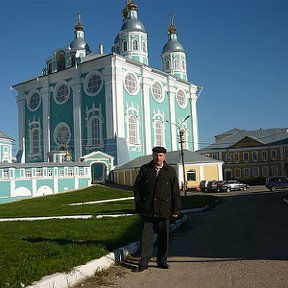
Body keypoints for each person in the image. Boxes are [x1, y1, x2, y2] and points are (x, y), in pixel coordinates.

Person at [133, 146, 181, 272]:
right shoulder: (145, 169)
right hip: (147, 209)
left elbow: (175, 191)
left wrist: (176, 209)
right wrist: (139, 204)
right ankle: (144, 262)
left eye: (160, 155)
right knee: (146, 237)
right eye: (155, 155)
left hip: (163, 209)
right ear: (153, 155)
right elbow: (137, 187)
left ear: (164, 157)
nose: (158, 158)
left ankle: (162, 260)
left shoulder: (170, 171)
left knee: (163, 237)